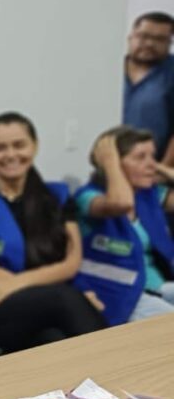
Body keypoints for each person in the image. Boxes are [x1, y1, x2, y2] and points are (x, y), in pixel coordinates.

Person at [0, 112, 106, 353]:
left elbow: (71, 263)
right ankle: (115, 368)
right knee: (65, 301)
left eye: (19, 145)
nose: (11, 154)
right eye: (0, 148)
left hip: (40, 299)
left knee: (54, 340)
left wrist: (17, 284)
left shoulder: (59, 196)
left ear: (35, 146)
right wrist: (70, 296)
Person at [74, 126, 174, 325]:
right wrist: (110, 163)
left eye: (152, 156)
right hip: (119, 296)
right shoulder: (88, 197)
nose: (151, 164)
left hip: (158, 287)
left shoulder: (147, 194)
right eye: (140, 157)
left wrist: (161, 169)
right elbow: (121, 203)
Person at [123, 11, 174, 165]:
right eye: (143, 36)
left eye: (160, 39)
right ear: (131, 36)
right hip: (108, 165)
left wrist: (162, 169)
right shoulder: (109, 68)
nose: (150, 44)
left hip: (154, 167)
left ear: (169, 43)